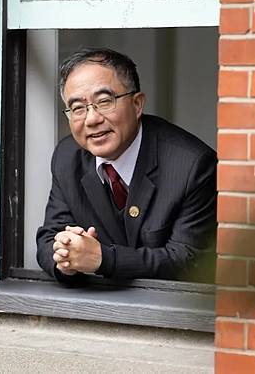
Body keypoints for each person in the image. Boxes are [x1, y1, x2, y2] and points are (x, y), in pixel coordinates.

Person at [36, 48, 217, 283]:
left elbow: (187, 259)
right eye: (78, 108)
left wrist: (104, 259)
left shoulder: (193, 165)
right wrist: (65, 259)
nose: (91, 119)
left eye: (104, 102)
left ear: (137, 104)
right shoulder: (68, 157)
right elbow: (50, 237)